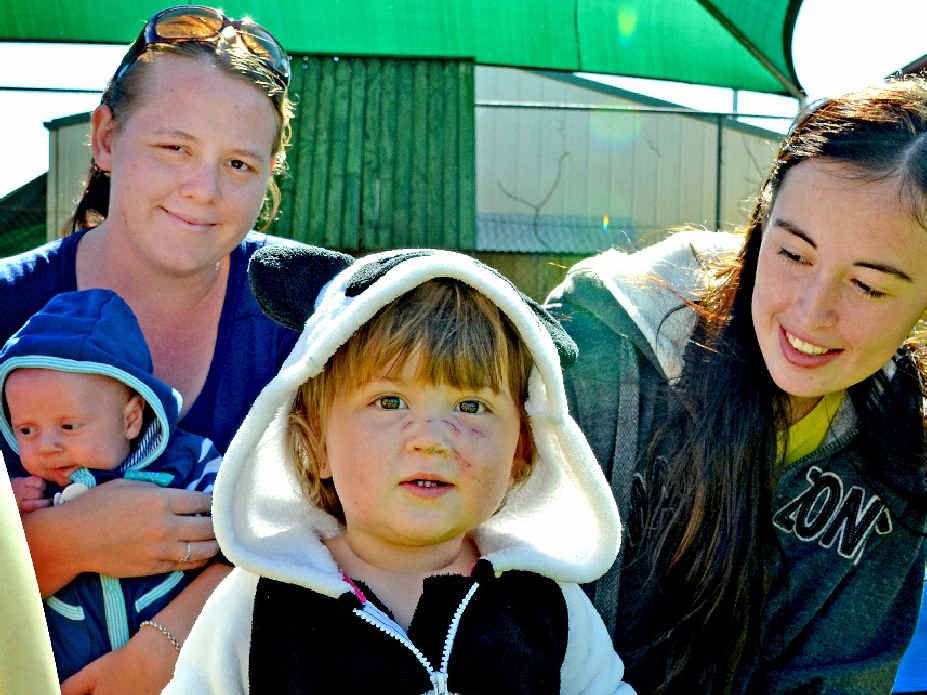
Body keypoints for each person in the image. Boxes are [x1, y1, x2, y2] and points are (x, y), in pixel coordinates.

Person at [546, 79, 927, 693]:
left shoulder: (901, 455)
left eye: (869, 286)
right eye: (793, 255)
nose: (810, 313)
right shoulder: (597, 345)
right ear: (762, 225)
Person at [163, 245, 633, 694]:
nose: (431, 439)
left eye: (471, 406)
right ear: (316, 443)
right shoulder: (261, 601)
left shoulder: (544, 601)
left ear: (522, 452)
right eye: (390, 402)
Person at [0, 6, 298, 692]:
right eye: (174, 148)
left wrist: (169, 642)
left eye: (239, 163)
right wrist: (58, 545)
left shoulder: (313, 312)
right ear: (106, 138)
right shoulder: (5, 306)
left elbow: (369, 533)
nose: (204, 189)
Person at [0, 289, 222, 681]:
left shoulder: (188, 463)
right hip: (68, 678)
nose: (46, 446)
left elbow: (242, 525)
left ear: (131, 419)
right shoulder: (29, 492)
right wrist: (9, 510)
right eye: (27, 430)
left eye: (68, 426)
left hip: (179, 673)